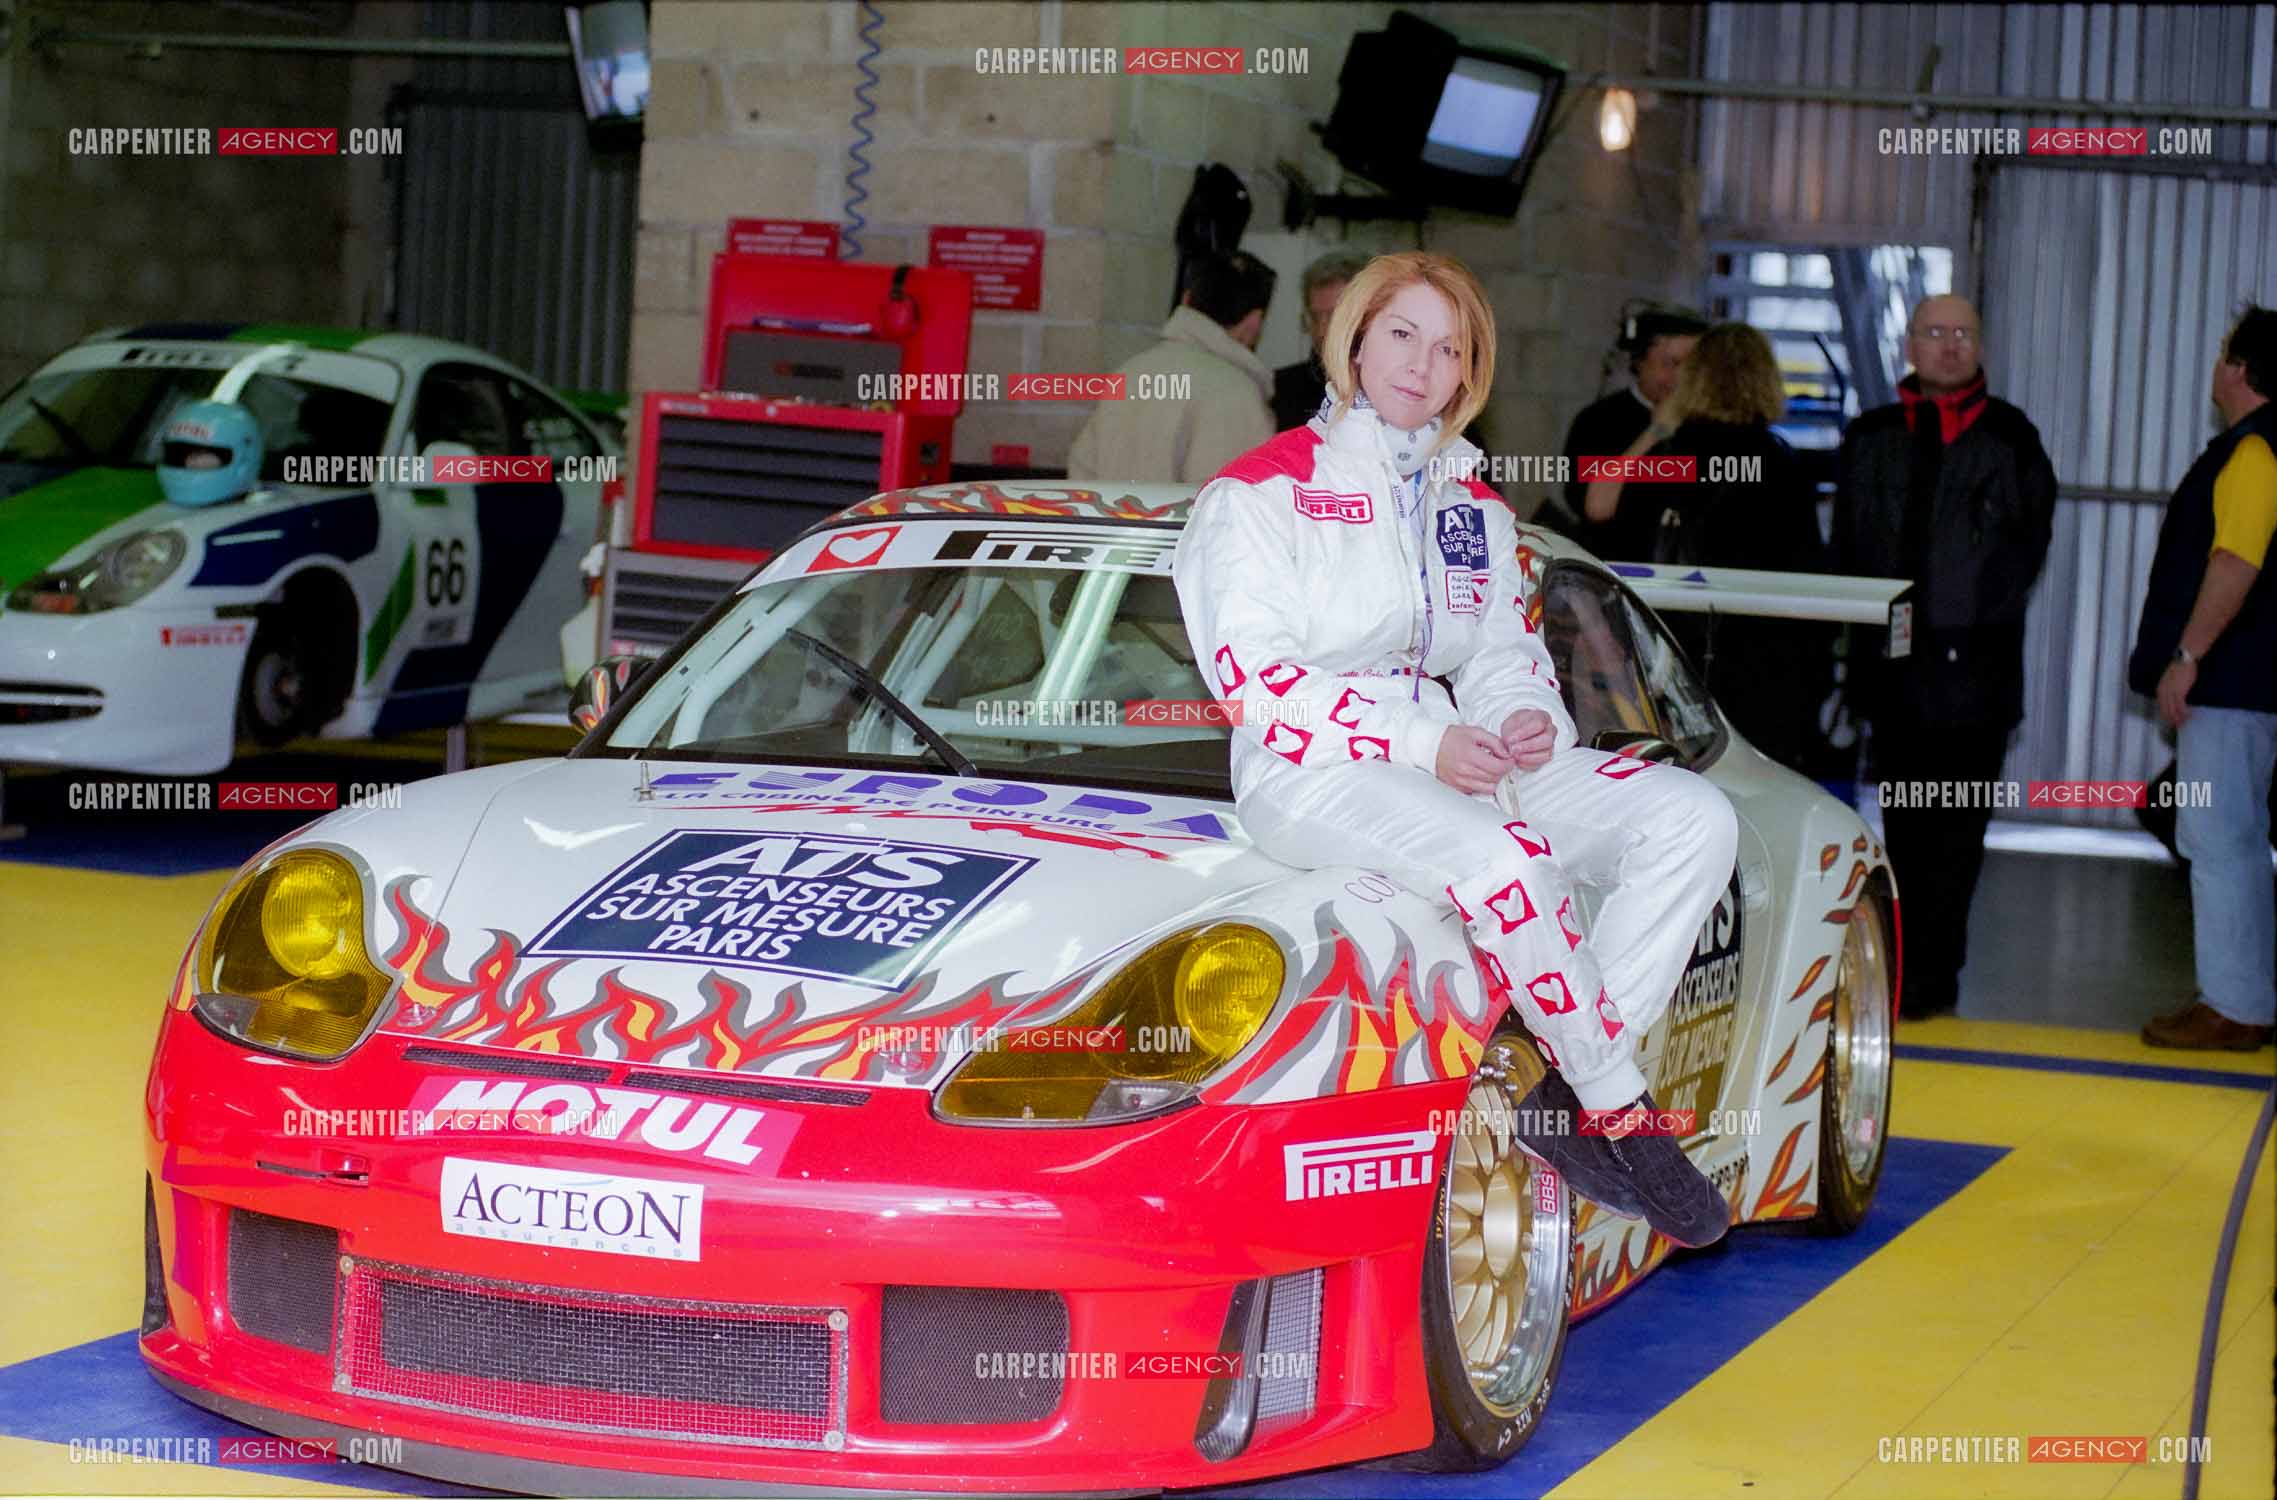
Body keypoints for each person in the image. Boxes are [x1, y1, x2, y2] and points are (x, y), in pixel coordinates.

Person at [1174, 251, 1739, 1247]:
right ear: (1350, 339)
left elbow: (1506, 655)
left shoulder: (1470, 505)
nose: (1423, 364)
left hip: (1455, 754)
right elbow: (1254, 683)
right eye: (1402, 334)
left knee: (1692, 818)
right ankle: (1624, 1114)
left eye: (1451, 348)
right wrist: (1422, 739)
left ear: (1469, 373)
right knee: (1506, 862)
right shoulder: (1260, 492)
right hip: (1310, 771)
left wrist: (1527, 716)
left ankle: (1562, 1089)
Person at [1830, 294, 2056, 1019]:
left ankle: (1936, 981)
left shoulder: (2010, 436)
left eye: (1963, 333)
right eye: (1935, 333)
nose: (1950, 346)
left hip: (1973, 686)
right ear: (1910, 344)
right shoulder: (1869, 435)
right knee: (1900, 831)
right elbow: (1847, 551)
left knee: (1954, 838)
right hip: (1892, 682)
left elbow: (2024, 553)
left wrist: (1960, 633)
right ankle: (1898, 978)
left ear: (1979, 344)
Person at [2132, 306, 2277, 1051]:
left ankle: (2234, 1005)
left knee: (2219, 842)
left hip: (2234, 682)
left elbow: (2234, 562)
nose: (2215, 367)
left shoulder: (2252, 453)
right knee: (2242, 842)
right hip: (2261, 683)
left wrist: (2184, 658)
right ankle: (2245, 992)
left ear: (2240, 371)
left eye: (2224, 355)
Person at [1589, 321, 1829, 768]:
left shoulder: (1672, 457)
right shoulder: (1780, 464)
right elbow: (1807, 571)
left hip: (1672, 657)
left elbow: (1599, 506)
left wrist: (1658, 429)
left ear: (1694, 379)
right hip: (1765, 665)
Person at [1068, 249, 1275, 488]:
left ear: (1186, 300)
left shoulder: (1129, 373)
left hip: (1108, 524)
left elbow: (1081, 473)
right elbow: (1232, 505)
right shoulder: (1236, 393)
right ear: (1254, 321)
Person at [1563, 304, 1706, 555]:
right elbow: (1591, 506)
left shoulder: (1708, 422)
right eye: (1670, 363)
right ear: (1639, 361)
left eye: (1691, 367)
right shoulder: (1598, 421)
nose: (1680, 377)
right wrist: (1655, 432)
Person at [1271, 251, 1370, 431]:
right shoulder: (1282, 390)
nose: (1322, 330)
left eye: (1334, 316)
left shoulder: (1394, 386)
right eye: (1315, 317)